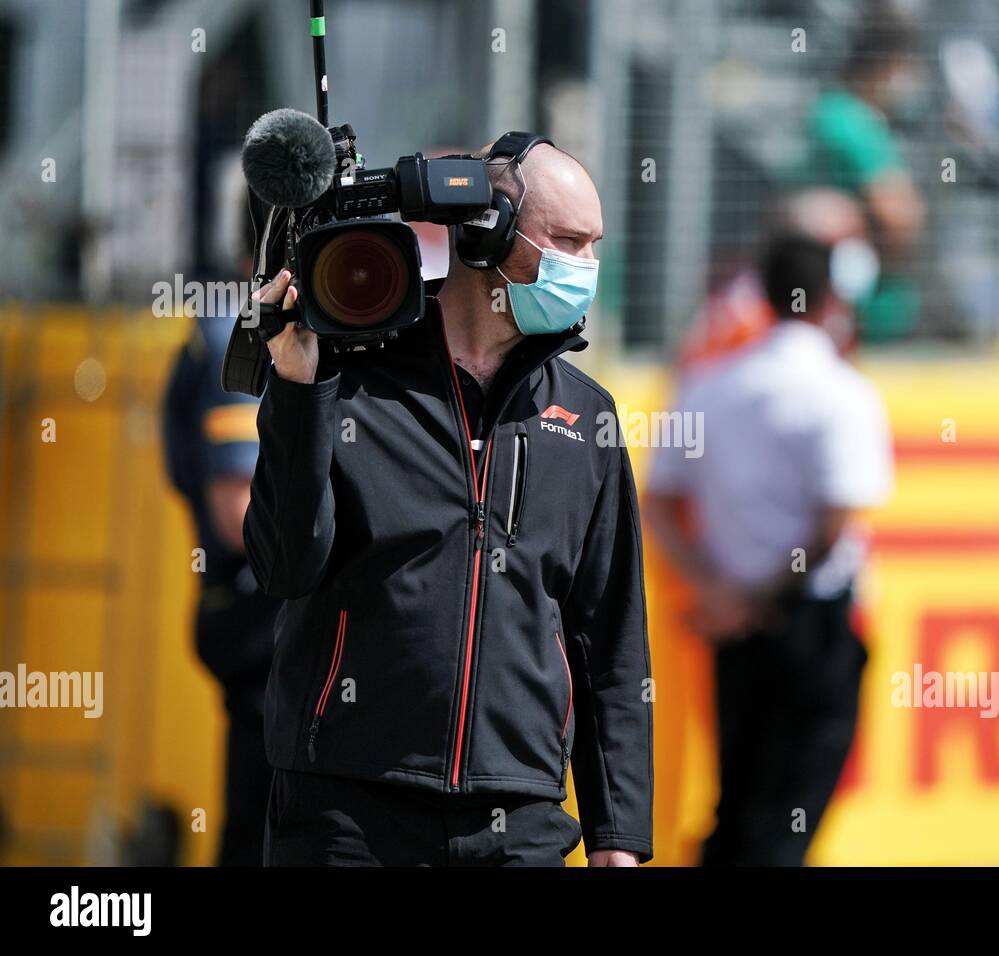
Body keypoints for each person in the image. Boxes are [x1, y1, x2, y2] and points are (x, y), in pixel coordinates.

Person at [246, 134, 653, 867]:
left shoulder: (586, 419)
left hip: (521, 817)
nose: (585, 268)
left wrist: (617, 839)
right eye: (567, 241)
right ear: (487, 231)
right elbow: (282, 566)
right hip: (346, 811)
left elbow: (611, 642)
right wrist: (301, 391)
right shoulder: (348, 385)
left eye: (593, 246)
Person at [644, 190, 893, 866]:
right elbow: (836, 524)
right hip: (807, 623)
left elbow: (660, 503)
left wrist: (720, 590)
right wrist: (769, 596)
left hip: (735, 627)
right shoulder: (844, 392)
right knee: (789, 819)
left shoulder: (711, 384)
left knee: (738, 807)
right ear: (831, 300)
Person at [162, 311, 278, 867]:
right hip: (259, 619)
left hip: (275, 629)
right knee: (261, 834)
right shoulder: (245, 329)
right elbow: (238, 512)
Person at [803, 7, 927, 341]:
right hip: (864, 319)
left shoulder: (828, 112)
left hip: (833, 310)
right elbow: (899, 216)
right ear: (890, 63)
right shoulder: (856, 125)